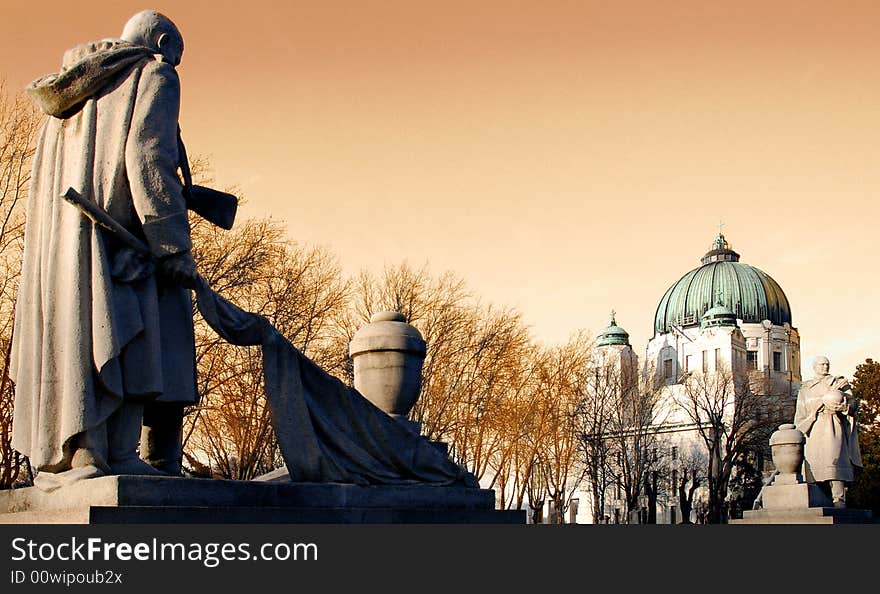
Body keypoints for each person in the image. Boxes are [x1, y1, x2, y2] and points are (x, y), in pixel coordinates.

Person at [11, 10, 198, 489]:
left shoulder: (68, 98)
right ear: (161, 42)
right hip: (118, 239)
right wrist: (172, 244)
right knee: (124, 330)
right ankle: (113, 452)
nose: (175, 67)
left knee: (77, 334)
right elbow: (147, 157)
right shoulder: (152, 72)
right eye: (177, 57)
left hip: (62, 244)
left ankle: (82, 454)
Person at [794, 356, 862, 507]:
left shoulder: (839, 383)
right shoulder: (806, 388)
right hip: (813, 430)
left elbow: (853, 404)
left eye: (827, 364)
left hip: (833, 427)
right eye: (822, 364)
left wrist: (843, 408)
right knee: (813, 466)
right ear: (814, 366)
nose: (825, 367)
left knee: (835, 462)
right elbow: (800, 415)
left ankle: (839, 499)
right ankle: (816, 500)